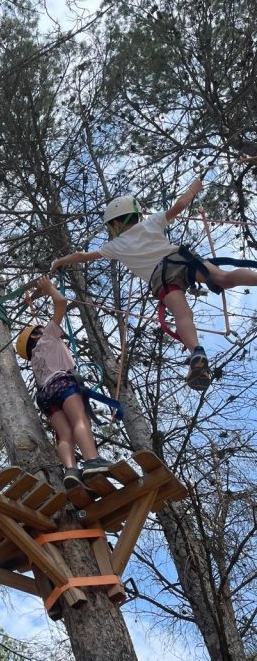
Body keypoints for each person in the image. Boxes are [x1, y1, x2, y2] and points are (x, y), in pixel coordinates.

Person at [51, 179, 257, 391]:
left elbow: (83, 256)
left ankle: (197, 350)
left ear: (116, 224)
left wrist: (60, 262)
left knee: (182, 314)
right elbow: (179, 206)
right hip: (179, 260)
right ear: (136, 214)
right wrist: (193, 189)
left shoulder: (115, 245)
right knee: (223, 277)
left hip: (162, 279)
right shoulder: (151, 222)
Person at [16, 276, 111, 490]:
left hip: (46, 395)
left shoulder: (35, 359)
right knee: (80, 420)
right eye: (41, 328)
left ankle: (71, 470)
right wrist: (50, 288)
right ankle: (92, 460)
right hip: (63, 384)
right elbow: (61, 303)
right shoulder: (48, 337)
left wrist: (33, 304)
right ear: (37, 335)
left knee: (64, 434)